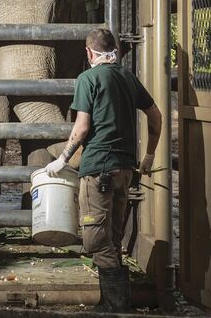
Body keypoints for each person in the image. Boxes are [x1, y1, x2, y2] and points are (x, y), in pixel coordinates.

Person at [45, 28, 162, 313]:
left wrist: (63, 159)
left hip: (99, 170)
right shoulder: (127, 77)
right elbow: (156, 115)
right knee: (113, 237)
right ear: (115, 51)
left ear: (89, 53)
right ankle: (110, 300)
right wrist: (148, 156)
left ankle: (117, 305)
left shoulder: (88, 79)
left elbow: (82, 127)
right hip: (125, 170)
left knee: (96, 239)